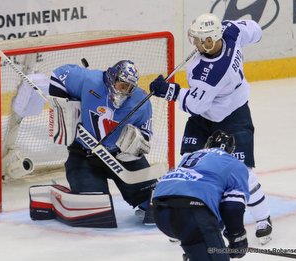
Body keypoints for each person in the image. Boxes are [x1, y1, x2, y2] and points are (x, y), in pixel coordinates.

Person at [149, 13, 272, 244]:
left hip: (231, 116)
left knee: (241, 173)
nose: (194, 44)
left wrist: (168, 91)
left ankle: (263, 218)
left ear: (209, 41)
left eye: (198, 40)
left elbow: (195, 104)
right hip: (205, 118)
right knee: (189, 166)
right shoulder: (229, 31)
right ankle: (187, 216)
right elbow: (255, 29)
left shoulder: (211, 74)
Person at [29, 60, 156, 227]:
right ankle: (58, 194)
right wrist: (64, 107)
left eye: (129, 88)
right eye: (121, 85)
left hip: (121, 157)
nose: (124, 91)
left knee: (155, 202)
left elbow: (145, 134)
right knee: (93, 206)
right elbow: (59, 76)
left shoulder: (141, 101)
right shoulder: (90, 80)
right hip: (84, 155)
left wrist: (136, 145)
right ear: (112, 78)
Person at [152, 130, 249, 261]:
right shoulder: (233, 163)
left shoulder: (190, 157)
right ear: (231, 150)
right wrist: (237, 238)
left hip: (160, 212)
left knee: (201, 242)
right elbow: (232, 206)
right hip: (191, 213)